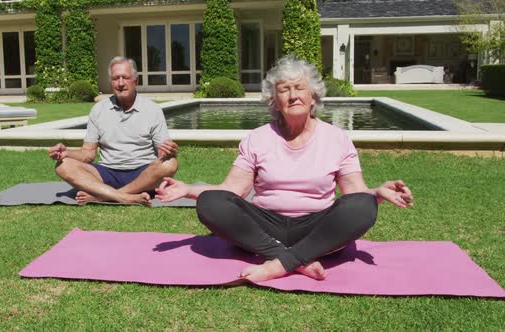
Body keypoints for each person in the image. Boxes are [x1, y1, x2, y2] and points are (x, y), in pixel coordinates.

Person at [155, 55, 413, 282]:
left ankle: (277, 265)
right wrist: (187, 189)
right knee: (211, 202)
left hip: (317, 227)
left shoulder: (337, 139)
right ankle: (295, 261)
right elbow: (232, 190)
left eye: (300, 87)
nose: (293, 95)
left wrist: (377, 193)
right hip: (265, 227)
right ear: (274, 101)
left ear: (313, 96)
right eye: (284, 90)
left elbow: (354, 192)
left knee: (362, 205)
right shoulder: (257, 138)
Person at [49, 56, 178, 206]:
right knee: (63, 165)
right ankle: (125, 197)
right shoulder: (99, 109)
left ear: (136, 81)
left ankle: (105, 196)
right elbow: (88, 154)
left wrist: (169, 151)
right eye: (116, 78)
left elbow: (162, 152)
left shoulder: (152, 109)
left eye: (125, 78)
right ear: (111, 83)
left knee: (170, 164)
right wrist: (67, 153)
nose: (121, 83)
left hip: (142, 173)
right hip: (107, 172)